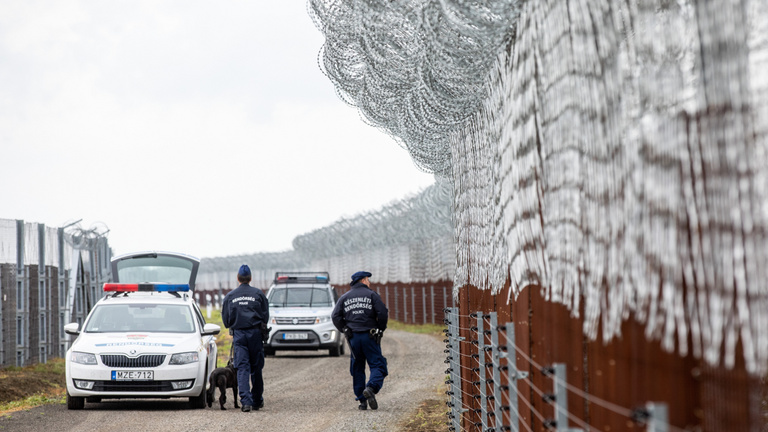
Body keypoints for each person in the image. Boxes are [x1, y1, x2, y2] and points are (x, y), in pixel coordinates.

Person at [332, 271, 389, 410]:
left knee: (357, 367)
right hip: (370, 336)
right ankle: (371, 388)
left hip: (353, 337)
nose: (369, 282)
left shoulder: (345, 297)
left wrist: (345, 329)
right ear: (363, 280)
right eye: (367, 280)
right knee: (377, 365)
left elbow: (335, 316)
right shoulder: (372, 295)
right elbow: (382, 313)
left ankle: (362, 401)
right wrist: (380, 329)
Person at [221, 264, 269, 412]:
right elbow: (265, 317)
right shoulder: (258, 294)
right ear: (250, 278)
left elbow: (226, 321)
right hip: (255, 335)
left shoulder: (230, 296)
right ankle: (257, 401)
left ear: (238, 278)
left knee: (242, 368)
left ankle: (246, 403)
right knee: (256, 368)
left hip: (239, 336)